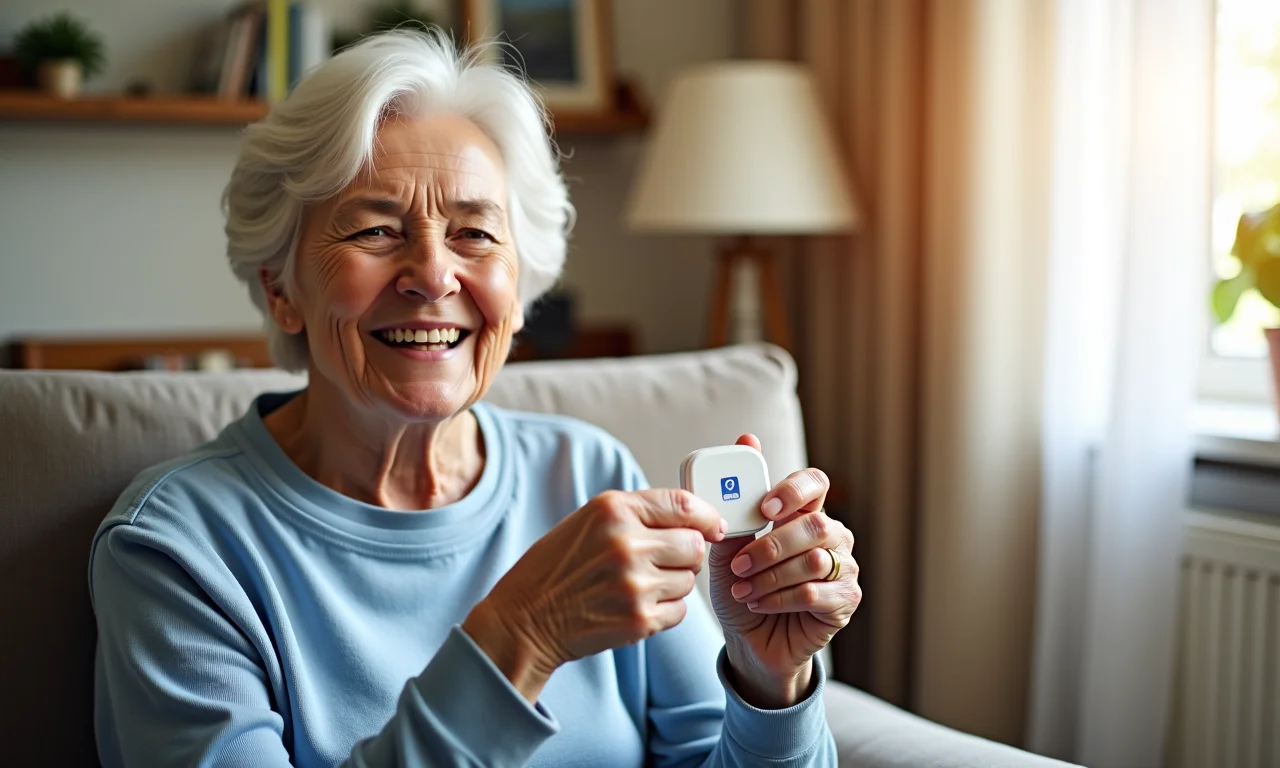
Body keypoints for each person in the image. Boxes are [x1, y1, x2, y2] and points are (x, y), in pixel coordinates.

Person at [90, 30, 861, 767]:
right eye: (375, 231)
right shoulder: (177, 547)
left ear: (519, 293)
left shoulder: (588, 474)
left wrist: (768, 682)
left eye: (475, 234)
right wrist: (522, 633)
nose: (433, 275)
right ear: (281, 290)